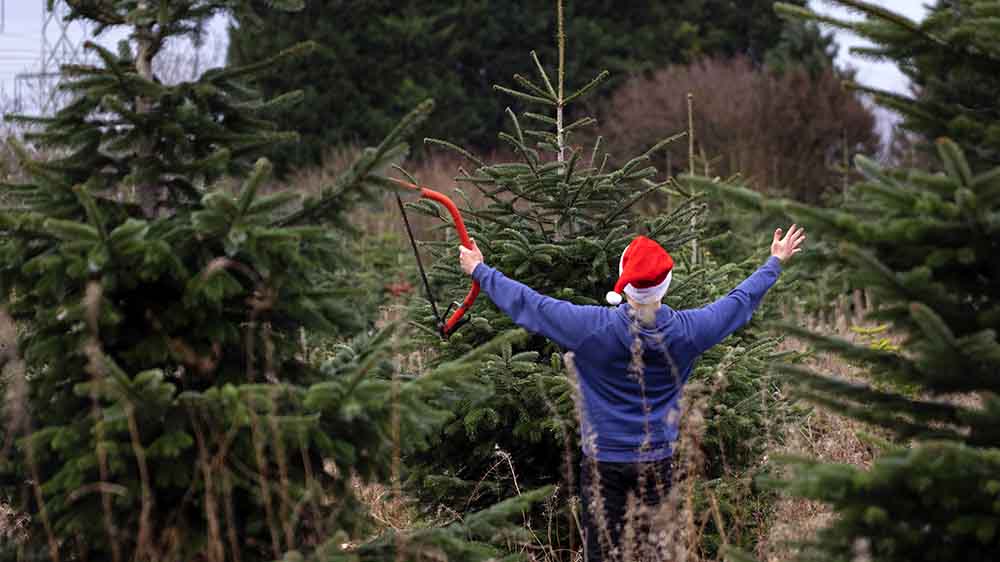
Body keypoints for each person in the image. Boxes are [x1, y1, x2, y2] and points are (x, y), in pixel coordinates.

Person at [458, 225, 806, 562]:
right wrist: (774, 262)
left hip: (600, 466)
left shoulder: (590, 329)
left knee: (603, 553)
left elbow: (529, 304)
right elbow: (738, 302)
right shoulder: (690, 332)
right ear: (665, 287)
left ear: (625, 286)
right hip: (657, 465)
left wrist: (479, 270)